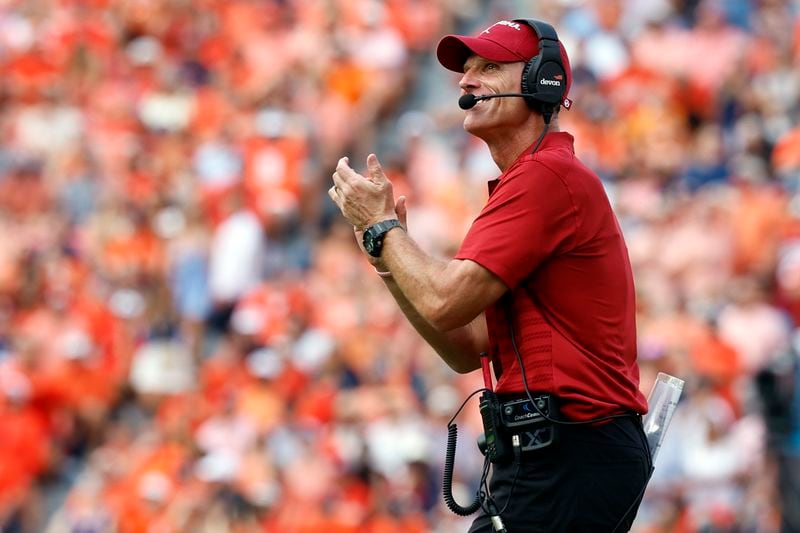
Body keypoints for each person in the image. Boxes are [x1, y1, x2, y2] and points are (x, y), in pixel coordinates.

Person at [329, 18, 651, 533]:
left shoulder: (545, 176)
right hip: (558, 454)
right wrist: (387, 256)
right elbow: (466, 345)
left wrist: (383, 228)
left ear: (542, 81)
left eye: (490, 67)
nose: (465, 80)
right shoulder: (531, 180)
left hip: (569, 450)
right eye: (467, 69)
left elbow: (445, 302)